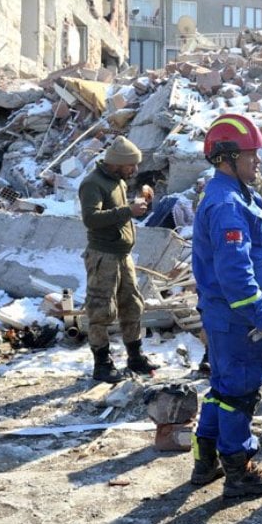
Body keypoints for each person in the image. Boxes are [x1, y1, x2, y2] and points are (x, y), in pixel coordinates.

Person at [189, 113, 262, 500]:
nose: (258, 161)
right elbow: (235, 276)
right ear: (226, 158)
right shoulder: (227, 205)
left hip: (230, 320)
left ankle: (205, 459)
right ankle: (238, 471)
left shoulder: (242, 195)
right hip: (240, 322)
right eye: (250, 155)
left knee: (222, 388)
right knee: (239, 395)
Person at [78, 135, 156, 384]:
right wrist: (127, 211)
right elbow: (91, 218)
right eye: (131, 165)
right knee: (101, 309)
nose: (135, 170)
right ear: (117, 163)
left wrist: (138, 207)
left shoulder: (118, 181)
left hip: (123, 255)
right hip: (103, 256)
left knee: (132, 304)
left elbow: (119, 214)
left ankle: (135, 356)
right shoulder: (92, 183)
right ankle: (102, 364)